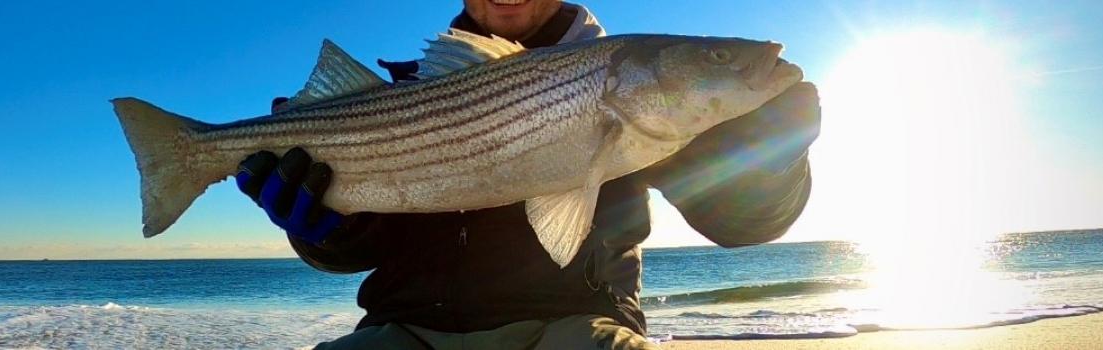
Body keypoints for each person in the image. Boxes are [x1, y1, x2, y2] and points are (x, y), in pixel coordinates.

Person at [233, 1, 821, 349]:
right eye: (717, 56)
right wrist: (322, 229)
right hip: (409, 330)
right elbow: (356, 249)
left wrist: (774, 162)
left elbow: (742, 224)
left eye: (716, 56)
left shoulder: (647, 90)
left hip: (571, 325)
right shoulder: (402, 96)